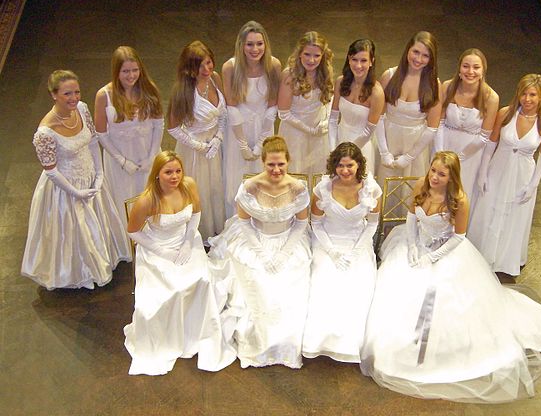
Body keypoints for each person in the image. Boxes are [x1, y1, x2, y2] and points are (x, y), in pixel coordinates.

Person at [360, 151, 541, 403]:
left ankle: (433, 350)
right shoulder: (421, 185)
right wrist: (412, 245)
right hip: (417, 246)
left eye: (442, 174)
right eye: (433, 171)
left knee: (441, 298)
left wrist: (432, 257)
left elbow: (458, 237)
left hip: (445, 252)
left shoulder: (459, 200)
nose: (434, 177)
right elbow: (411, 217)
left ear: (452, 177)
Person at [124, 151, 236, 376]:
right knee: (168, 291)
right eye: (168, 172)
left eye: (178, 171)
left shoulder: (189, 185)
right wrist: (162, 252)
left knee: (202, 280)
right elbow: (133, 231)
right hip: (157, 249)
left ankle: (196, 331)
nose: (174, 176)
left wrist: (187, 242)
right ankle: (169, 336)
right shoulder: (147, 200)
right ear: (157, 175)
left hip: (186, 242)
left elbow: (195, 213)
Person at [209, 136, 311, 369]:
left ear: (288, 162)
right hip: (254, 240)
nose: (276, 169)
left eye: (281, 164)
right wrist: (263, 254)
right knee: (258, 281)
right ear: (263, 162)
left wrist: (284, 253)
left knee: (288, 284)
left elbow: (301, 224)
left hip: (287, 240)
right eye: (271, 164)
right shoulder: (250, 187)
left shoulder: (297, 188)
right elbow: (245, 224)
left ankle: (285, 345)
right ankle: (258, 344)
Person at [22, 70, 129, 289]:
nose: (74, 98)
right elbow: (51, 171)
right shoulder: (45, 132)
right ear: (54, 95)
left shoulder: (81, 109)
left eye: (76, 92)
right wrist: (76, 193)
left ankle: (102, 258)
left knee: (98, 222)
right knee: (76, 231)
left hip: (90, 177)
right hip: (65, 188)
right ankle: (80, 271)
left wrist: (99, 174)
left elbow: (92, 141)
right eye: (67, 94)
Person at [468, 74, 541, 277]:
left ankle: (504, 258)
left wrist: (533, 186)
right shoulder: (505, 114)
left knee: (513, 215)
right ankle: (482, 252)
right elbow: (491, 143)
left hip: (522, 177)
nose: (527, 99)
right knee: (489, 208)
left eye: (532, 94)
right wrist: (483, 172)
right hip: (498, 169)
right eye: (523, 93)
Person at [302, 142, 381, 363]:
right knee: (325, 279)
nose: (345, 171)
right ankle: (321, 341)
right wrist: (332, 252)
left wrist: (357, 251)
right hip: (327, 241)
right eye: (340, 166)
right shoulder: (323, 188)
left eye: (350, 166)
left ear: (359, 165)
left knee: (359, 283)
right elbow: (316, 223)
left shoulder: (371, 189)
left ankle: (351, 343)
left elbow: (373, 224)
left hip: (358, 242)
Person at [94, 46, 163, 233]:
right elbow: (101, 133)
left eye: (135, 70)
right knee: (125, 197)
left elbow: (158, 124)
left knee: (149, 196)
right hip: (120, 159)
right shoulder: (104, 96)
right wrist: (122, 161)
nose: (131, 75)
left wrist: (152, 157)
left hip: (146, 153)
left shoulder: (149, 89)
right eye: (125, 71)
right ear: (116, 71)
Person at [167, 41, 226, 240]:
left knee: (216, 188)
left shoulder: (215, 79)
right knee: (198, 191)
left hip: (215, 146)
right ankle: (198, 233)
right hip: (194, 150)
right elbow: (173, 128)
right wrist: (199, 146)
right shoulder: (182, 90)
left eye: (209, 63)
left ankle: (216, 227)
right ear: (190, 68)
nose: (207, 69)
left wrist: (219, 137)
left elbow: (223, 114)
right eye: (200, 66)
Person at [222, 20, 282, 217]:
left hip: (264, 127)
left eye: (259, 43)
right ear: (241, 45)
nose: (255, 49)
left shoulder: (273, 65)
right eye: (249, 44)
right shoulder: (230, 67)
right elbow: (231, 106)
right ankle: (237, 218)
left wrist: (260, 144)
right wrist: (243, 145)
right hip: (237, 129)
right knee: (237, 175)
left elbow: (273, 105)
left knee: (262, 172)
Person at [376, 31, 442, 182]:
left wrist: (410, 156)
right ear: (408, 50)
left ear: (431, 59)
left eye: (425, 55)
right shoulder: (389, 76)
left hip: (415, 146)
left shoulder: (434, 85)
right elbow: (377, 116)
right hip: (387, 139)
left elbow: (432, 127)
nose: (418, 59)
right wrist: (384, 151)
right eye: (416, 52)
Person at [436, 48, 499, 205]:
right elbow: (439, 122)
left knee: (461, 195)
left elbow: (485, 136)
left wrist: (459, 158)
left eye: (476, 67)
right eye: (466, 66)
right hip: (444, 145)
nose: (470, 71)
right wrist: (440, 154)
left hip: (470, 154)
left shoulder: (491, 97)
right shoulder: (447, 87)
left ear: (483, 70)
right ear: (459, 68)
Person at [277, 31, 333, 177]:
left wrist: (325, 122)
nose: (312, 60)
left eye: (316, 56)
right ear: (300, 53)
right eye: (307, 54)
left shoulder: (325, 72)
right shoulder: (289, 74)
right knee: (297, 173)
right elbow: (283, 113)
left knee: (318, 174)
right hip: (295, 133)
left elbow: (328, 99)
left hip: (319, 132)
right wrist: (308, 130)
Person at [328, 39, 384, 173]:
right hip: (339, 139)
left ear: (371, 62)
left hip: (361, 146)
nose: (358, 65)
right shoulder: (341, 82)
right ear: (348, 59)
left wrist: (349, 154)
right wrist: (333, 149)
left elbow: (369, 130)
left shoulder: (376, 92)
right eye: (354, 59)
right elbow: (333, 118)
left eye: (364, 60)